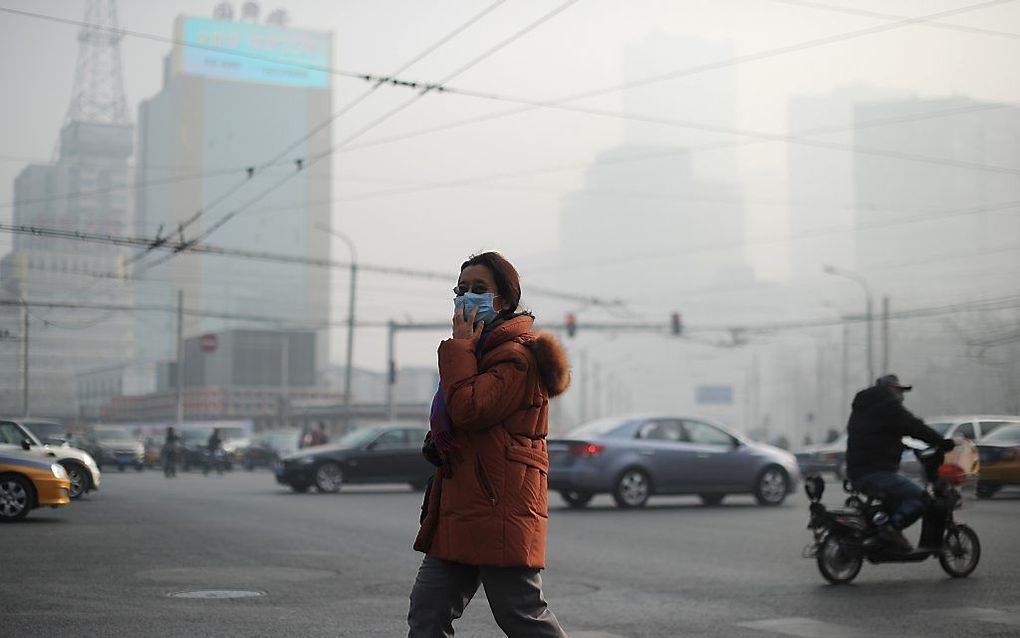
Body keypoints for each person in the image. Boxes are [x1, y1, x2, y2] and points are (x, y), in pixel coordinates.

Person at [408, 252, 571, 638]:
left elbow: (469, 409)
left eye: (479, 290)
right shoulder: (479, 353)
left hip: (499, 508)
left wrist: (460, 346)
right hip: (461, 508)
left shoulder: (517, 358)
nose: (467, 297)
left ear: (504, 301)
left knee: (521, 616)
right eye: (461, 289)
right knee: (427, 612)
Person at [845, 374, 955, 550]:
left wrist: (904, 447)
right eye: (899, 391)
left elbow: (874, 436)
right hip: (876, 471)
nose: (901, 396)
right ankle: (891, 530)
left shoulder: (865, 407)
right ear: (890, 389)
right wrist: (941, 442)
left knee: (897, 500)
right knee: (921, 499)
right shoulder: (888, 406)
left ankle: (884, 538)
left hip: (859, 470)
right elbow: (913, 426)